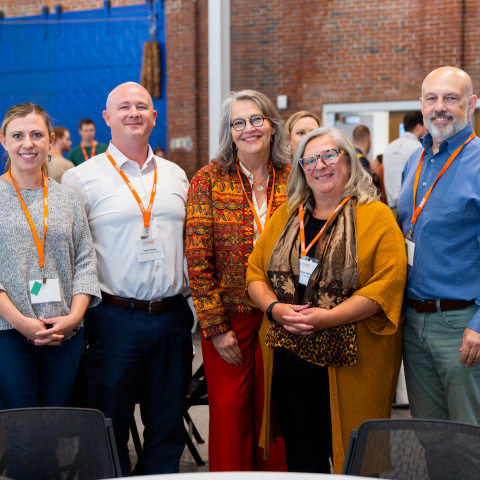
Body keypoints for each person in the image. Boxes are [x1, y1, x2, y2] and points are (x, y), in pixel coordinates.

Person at [247, 126, 407, 474]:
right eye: (310, 160)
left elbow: (386, 286)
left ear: (348, 161)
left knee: (360, 464)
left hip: (354, 364)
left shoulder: (376, 216)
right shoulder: (288, 216)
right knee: (304, 462)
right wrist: (274, 309)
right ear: (302, 169)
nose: (320, 166)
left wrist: (325, 318)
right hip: (289, 361)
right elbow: (255, 273)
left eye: (329, 156)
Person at [62, 82, 194, 476]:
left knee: (167, 423)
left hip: (172, 318)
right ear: (107, 118)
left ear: (154, 117)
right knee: (109, 424)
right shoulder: (81, 179)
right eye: (124, 107)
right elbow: (70, 254)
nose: (134, 112)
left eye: (142, 106)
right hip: (114, 318)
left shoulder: (176, 175)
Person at [186, 89, 290, 472]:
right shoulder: (208, 180)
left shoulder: (294, 177)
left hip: (283, 318)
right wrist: (214, 328)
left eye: (256, 119)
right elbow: (198, 259)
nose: (249, 128)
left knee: (276, 416)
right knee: (230, 416)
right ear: (230, 133)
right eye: (238, 122)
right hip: (231, 321)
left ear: (272, 126)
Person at [397, 67, 480, 474]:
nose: (440, 107)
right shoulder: (414, 160)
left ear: (472, 104)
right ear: (421, 105)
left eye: (451, 98)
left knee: (469, 437)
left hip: (462, 324)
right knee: (430, 435)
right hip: (414, 322)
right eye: (432, 98)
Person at [0, 102, 101, 410]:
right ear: (4, 141)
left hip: (64, 333)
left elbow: (85, 261)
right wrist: (20, 322)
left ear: (51, 141)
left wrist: (74, 318)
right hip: (9, 333)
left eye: (36, 134)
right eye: (17, 136)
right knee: (23, 431)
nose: (27, 144)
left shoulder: (68, 199)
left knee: (58, 423)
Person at [384, 111, 426, 210]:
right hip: (410, 210)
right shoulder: (419, 149)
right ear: (418, 127)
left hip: (391, 209)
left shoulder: (389, 147)